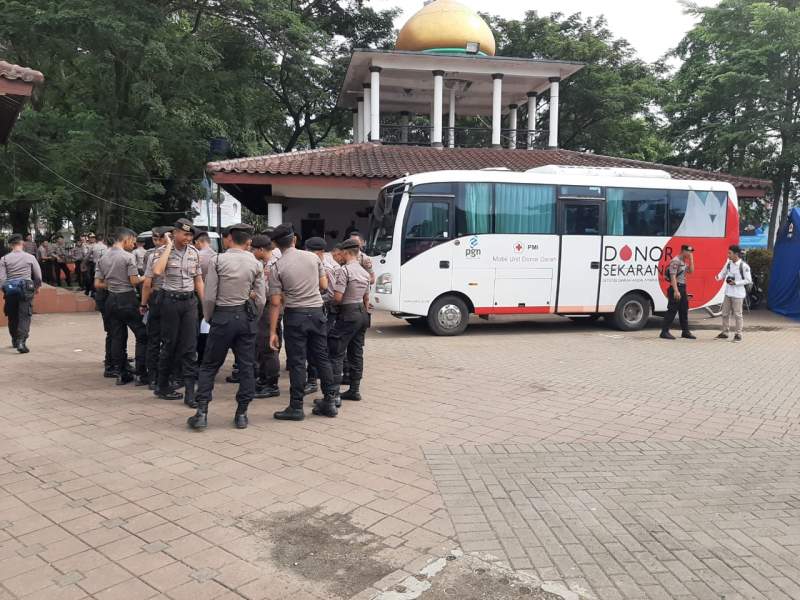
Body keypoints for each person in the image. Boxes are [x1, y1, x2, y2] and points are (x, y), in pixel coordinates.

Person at [188, 224, 266, 429]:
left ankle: (202, 412)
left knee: (209, 365)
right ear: (248, 241)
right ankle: (242, 414)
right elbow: (261, 299)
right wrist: (254, 317)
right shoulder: (256, 263)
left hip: (222, 316)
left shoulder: (218, 260)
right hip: (245, 318)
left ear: (230, 238)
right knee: (247, 366)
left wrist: (209, 317)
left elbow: (210, 296)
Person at [268, 223, 338, 420]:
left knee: (297, 362)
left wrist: (272, 331)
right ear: (294, 239)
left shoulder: (276, 267)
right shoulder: (313, 258)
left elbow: (275, 302)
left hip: (295, 316)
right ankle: (330, 401)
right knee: (322, 357)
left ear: (275, 244)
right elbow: (323, 285)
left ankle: (296, 407)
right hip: (316, 313)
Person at [149, 218, 204, 404]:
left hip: (189, 302)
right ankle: (162, 385)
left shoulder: (194, 252)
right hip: (170, 302)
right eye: (185, 234)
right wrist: (168, 246)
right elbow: (157, 271)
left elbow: (198, 280)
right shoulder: (162, 251)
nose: (188, 238)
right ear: (175, 233)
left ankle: (190, 393)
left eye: (191, 235)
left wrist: (205, 306)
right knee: (169, 345)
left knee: (189, 347)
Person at [94, 228, 147, 385]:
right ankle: (141, 372)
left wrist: (112, 283)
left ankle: (121, 373)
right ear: (126, 239)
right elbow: (134, 281)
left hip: (111, 299)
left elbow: (97, 283)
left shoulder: (103, 257)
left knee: (117, 337)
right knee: (142, 334)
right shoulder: (128, 257)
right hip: (127, 299)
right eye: (133, 241)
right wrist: (147, 276)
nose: (134, 244)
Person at [325, 238, 371, 405]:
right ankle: (354, 390)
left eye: (341, 253)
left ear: (345, 252)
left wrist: (329, 302)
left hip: (348, 313)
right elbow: (366, 298)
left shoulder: (344, 271)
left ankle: (334, 395)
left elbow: (338, 297)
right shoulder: (365, 273)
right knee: (356, 352)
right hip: (362, 313)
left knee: (336, 352)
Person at [303, 237, 339, 396]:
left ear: (318, 253)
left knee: (318, 349)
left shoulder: (326, 268)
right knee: (312, 348)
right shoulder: (311, 265)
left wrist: (313, 297)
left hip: (324, 311)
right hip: (315, 310)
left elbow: (331, 294)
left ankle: (315, 382)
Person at [0, 234, 42, 353]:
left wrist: (4, 289)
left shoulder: (4, 259)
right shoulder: (30, 257)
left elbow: (2, 279)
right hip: (26, 289)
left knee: (12, 315)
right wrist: (37, 287)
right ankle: (21, 342)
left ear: (10, 245)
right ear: (22, 243)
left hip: (11, 289)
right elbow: (38, 276)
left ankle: (14, 339)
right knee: (24, 315)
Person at [251, 234, 281, 398]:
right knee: (261, 346)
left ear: (261, 249)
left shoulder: (274, 264)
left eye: (254, 250)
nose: (252, 252)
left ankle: (271, 384)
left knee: (268, 346)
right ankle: (263, 379)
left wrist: (254, 294)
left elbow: (270, 290)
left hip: (270, 307)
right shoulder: (264, 262)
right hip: (266, 306)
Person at [140, 226, 171, 390]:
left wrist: (143, 303)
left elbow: (147, 283)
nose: (157, 242)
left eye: (159, 238)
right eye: (155, 239)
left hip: (157, 296)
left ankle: (153, 377)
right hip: (170, 298)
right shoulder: (180, 252)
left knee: (154, 338)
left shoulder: (152, 255)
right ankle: (167, 376)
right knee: (169, 339)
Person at [715, 244, 752, 342]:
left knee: (737, 315)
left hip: (738, 294)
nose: (728, 255)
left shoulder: (744, 266)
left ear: (736, 254)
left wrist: (736, 283)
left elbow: (748, 280)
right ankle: (725, 333)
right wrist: (718, 277)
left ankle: (738, 334)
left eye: (730, 253)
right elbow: (723, 273)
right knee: (725, 314)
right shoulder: (728, 263)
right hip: (728, 293)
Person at [660, 245, 696, 340]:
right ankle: (664, 332)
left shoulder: (683, 261)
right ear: (683, 251)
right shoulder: (675, 261)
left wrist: (691, 260)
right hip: (676, 288)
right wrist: (676, 291)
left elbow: (691, 271)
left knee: (684, 310)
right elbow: (673, 276)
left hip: (682, 287)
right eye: (689, 252)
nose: (690, 253)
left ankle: (685, 331)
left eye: (691, 252)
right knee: (672, 310)